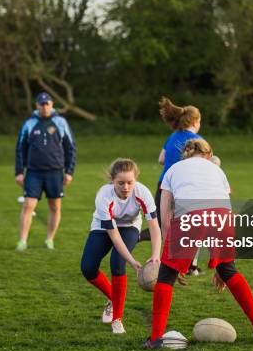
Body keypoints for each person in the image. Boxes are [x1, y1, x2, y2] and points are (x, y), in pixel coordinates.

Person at [143, 139, 253, 349]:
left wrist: (173, 254)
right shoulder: (216, 170)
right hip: (222, 217)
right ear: (208, 153)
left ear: (185, 154)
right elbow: (225, 207)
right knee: (229, 270)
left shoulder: (173, 169)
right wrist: (221, 259)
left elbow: (165, 216)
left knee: (166, 277)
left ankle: (156, 338)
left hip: (191, 216)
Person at [80, 159, 161, 334]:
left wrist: (156, 255)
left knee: (117, 262)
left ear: (135, 180)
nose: (126, 187)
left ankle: (117, 319)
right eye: (120, 183)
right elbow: (114, 237)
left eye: (130, 182)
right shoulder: (104, 196)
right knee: (87, 268)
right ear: (112, 181)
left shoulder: (142, 192)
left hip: (130, 226)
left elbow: (154, 226)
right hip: (104, 227)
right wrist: (133, 261)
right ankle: (113, 298)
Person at [138, 97, 206, 278]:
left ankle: (136, 236)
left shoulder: (173, 136)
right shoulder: (198, 141)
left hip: (164, 184)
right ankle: (190, 266)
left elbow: (161, 159)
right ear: (195, 121)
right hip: (186, 188)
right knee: (192, 225)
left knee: (162, 225)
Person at [14, 92, 76, 251]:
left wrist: (69, 171)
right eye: (41, 104)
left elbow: (70, 148)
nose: (44, 106)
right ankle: (22, 241)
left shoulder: (60, 122)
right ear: (37, 105)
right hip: (33, 172)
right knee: (28, 205)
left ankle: (49, 240)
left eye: (47, 103)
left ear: (52, 104)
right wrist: (19, 172)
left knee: (55, 207)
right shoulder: (29, 123)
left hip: (55, 172)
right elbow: (20, 148)